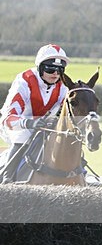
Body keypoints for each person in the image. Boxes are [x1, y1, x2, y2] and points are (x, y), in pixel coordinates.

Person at [0, 44, 70, 183]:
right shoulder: (24, 81)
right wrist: (30, 123)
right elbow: (8, 119)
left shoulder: (62, 85)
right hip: (16, 125)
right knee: (24, 135)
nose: (55, 74)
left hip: (43, 125)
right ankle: (7, 178)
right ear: (40, 67)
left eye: (60, 70)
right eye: (50, 69)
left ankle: (81, 174)